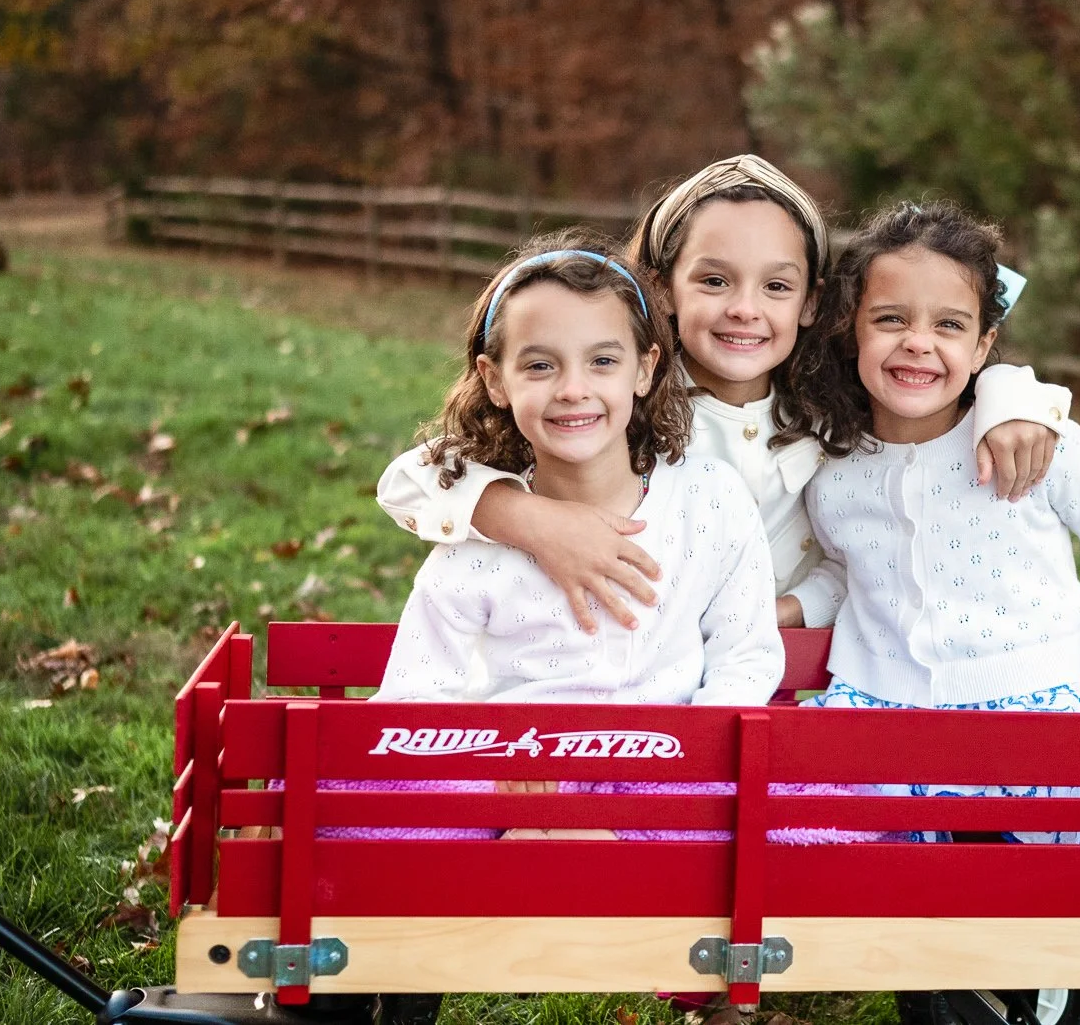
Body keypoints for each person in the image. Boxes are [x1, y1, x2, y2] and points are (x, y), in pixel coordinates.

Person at [375, 154, 1077, 634]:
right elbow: (412, 481)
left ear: (811, 302)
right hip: (627, 670)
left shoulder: (834, 411)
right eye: (713, 281)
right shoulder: (618, 401)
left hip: (787, 683)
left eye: (776, 285)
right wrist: (534, 521)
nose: (745, 308)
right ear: (663, 286)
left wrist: (1010, 392)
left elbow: (943, 371)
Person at [359, 235, 877, 847]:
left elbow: (745, 654)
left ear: (645, 369)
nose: (573, 389)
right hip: (517, 772)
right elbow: (417, 697)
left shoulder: (708, 500)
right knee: (374, 818)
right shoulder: (478, 538)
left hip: (670, 770)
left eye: (602, 361)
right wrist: (494, 758)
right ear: (494, 381)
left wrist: (689, 759)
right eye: (540, 365)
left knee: (830, 820)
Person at [789, 202, 1080, 844]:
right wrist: (791, 607)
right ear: (852, 331)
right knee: (805, 843)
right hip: (881, 712)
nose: (919, 341)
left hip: (1040, 705)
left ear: (982, 348)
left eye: (949, 324)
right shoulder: (834, 465)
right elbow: (850, 569)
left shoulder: (1032, 441)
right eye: (890, 320)